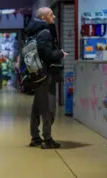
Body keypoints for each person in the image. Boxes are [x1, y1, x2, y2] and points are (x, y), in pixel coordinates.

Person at [26, 7, 67, 149]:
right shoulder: (44, 33)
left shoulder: (34, 33)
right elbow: (47, 54)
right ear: (43, 18)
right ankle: (47, 139)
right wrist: (60, 54)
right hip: (46, 75)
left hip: (37, 74)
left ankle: (35, 137)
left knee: (37, 106)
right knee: (49, 107)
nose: (54, 16)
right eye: (51, 14)